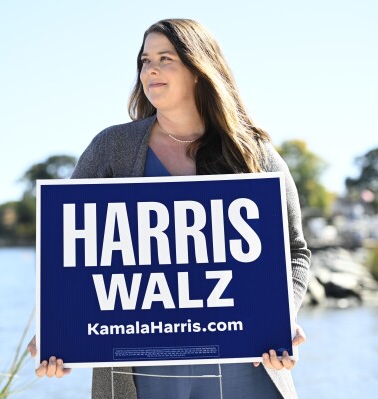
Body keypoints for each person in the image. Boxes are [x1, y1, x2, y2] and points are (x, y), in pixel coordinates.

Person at [27, 18, 310, 399]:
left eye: (166, 58)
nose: (151, 69)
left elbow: (294, 251)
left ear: (198, 69)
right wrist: (59, 330)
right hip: (145, 374)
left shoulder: (253, 153)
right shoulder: (112, 149)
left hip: (246, 369)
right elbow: (69, 253)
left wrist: (282, 317)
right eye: (145, 60)